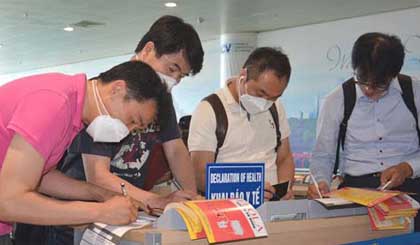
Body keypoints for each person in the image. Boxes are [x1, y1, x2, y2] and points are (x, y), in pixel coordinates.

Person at [41, 15, 204, 244]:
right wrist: (154, 200)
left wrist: (191, 199)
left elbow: (176, 149)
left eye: (181, 76)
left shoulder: (162, 101)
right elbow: (98, 175)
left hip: (126, 212)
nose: (174, 79)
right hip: (77, 217)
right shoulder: (108, 93)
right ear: (148, 50)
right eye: (172, 68)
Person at [0, 61, 171, 244]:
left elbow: (40, 176)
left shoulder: (72, 111)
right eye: (131, 120)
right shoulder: (55, 103)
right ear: (117, 89)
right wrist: (101, 212)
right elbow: (9, 202)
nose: (127, 131)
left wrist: (98, 194)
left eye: (136, 128)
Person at [308, 32, 420, 230]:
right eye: (362, 80)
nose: (368, 89)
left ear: (394, 74)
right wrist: (321, 182)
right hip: (356, 192)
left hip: (411, 190)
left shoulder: (415, 93)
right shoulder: (337, 99)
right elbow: (323, 155)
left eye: (379, 84)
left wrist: (408, 168)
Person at [188, 47, 295, 200]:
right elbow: (199, 176)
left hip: (271, 207)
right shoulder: (210, 109)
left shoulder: (275, 108)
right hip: (227, 210)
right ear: (243, 75)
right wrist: (246, 189)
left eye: (274, 97)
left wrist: (285, 190)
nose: (265, 102)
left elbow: (284, 158)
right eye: (261, 93)